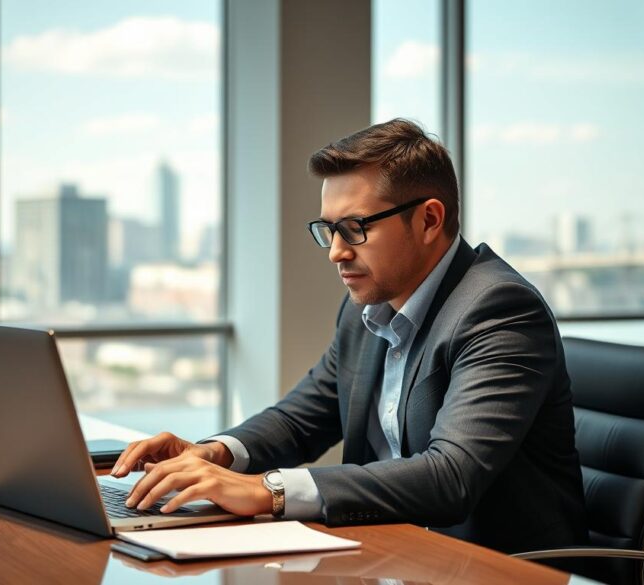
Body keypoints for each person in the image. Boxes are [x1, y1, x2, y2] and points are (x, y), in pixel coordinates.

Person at [111, 119, 588, 553]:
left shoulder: (499, 311)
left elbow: (450, 476)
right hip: (389, 552)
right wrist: (213, 454)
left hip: (493, 567)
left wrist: (267, 490)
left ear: (429, 219)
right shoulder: (371, 306)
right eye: (328, 230)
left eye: (354, 228)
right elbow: (301, 419)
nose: (336, 252)